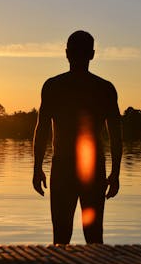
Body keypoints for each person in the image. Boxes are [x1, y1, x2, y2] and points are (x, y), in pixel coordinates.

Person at [32, 30, 123, 244]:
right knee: (93, 236)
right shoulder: (105, 89)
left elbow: (41, 130)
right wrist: (115, 172)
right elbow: (116, 136)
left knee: (61, 237)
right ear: (92, 54)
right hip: (92, 169)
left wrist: (37, 168)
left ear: (66, 53)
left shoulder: (53, 86)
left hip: (63, 166)